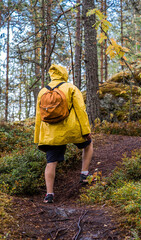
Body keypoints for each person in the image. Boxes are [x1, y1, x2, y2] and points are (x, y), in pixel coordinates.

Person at [34, 64, 94, 203]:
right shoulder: (71, 88)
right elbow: (81, 110)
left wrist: (38, 137)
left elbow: (38, 116)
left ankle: (49, 195)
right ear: (64, 74)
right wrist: (86, 131)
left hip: (51, 134)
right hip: (71, 130)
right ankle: (84, 174)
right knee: (88, 144)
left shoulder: (42, 91)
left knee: (51, 162)